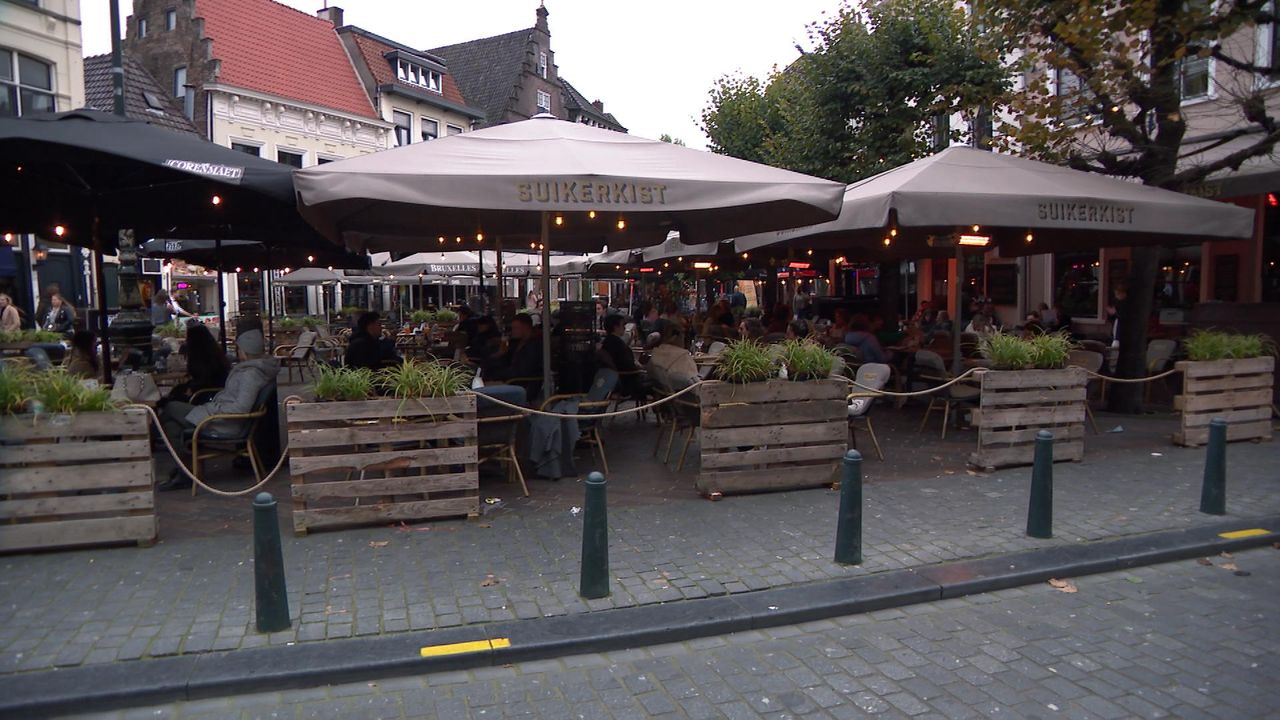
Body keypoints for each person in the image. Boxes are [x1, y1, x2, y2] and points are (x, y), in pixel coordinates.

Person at [157, 329, 278, 490]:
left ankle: (183, 467)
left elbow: (241, 407)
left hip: (224, 423)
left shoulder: (251, 375)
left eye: (239, 348)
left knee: (171, 408)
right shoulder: (251, 370)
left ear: (245, 351)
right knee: (172, 425)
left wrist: (213, 410)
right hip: (219, 416)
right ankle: (185, 471)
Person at [162, 323, 230, 406]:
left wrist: (191, 388)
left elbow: (204, 380)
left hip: (202, 396)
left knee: (169, 403)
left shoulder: (201, 359)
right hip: (213, 394)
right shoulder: (215, 354)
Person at [486, 313, 543, 399]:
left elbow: (523, 370)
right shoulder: (517, 342)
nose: (513, 331)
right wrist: (499, 354)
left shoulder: (534, 345)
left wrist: (497, 375)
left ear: (526, 328)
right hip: (513, 380)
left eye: (516, 328)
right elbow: (507, 361)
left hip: (524, 385)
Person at [598, 314, 644, 398]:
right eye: (623, 325)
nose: (625, 328)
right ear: (616, 327)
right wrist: (641, 369)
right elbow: (627, 364)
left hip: (621, 378)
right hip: (628, 381)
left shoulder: (609, 341)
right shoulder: (616, 344)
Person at [646, 324, 698, 389]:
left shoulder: (655, 353)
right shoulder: (683, 356)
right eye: (683, 336)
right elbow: (694, 381)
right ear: (677, 337)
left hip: (663, 392)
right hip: (685, 395)